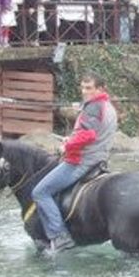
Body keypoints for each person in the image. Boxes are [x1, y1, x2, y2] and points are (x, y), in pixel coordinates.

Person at [32, 73, 118, 252]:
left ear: (100, 89)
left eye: (89, 88)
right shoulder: (108, 107)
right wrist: (71, 138)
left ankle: (59, 236)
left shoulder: (93, 107)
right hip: (99, 159)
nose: (84, 91)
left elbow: (88, 135)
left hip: (81, 161)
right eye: (83, 87)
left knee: (40, 192)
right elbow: (93, 134)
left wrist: (67, 145)